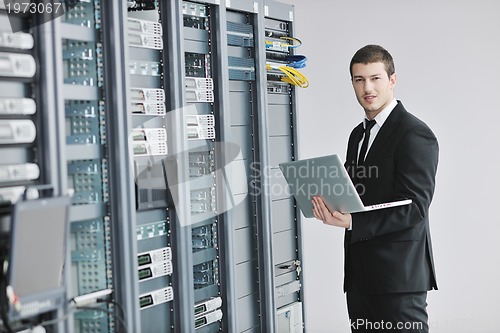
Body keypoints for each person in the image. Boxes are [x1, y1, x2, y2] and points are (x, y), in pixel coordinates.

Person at [311, 44, 439, 332]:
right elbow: (357, 194)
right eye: (359, 80)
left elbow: (414, 209)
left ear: (392, 80)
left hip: (398, 280)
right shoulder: (357, 135)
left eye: (375, 78)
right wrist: (329, 199)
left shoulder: (415, 134)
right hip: (359, 278)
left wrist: (355, 222)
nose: (367, 87)